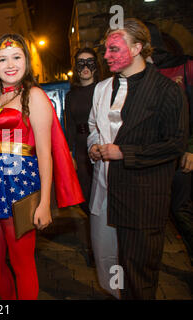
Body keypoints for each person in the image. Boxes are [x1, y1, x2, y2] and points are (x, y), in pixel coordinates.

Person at [87, 18, 187, 299]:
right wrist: (94, 147)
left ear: (137, 48)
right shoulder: (103, 88)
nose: (106, 56)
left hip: (142, 200)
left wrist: (124, 153)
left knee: (138, 277)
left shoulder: (166, 91)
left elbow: (175, 144)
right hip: (106, 191)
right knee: (110, 268)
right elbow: (95, 128)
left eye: (114, 49)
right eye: (105, 50)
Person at [0, 33, 84, 300]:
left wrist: (44, 203)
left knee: (21, 262)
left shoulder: (35, 96)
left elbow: (45, 153)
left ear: (27, 61)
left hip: (21, 186)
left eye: (16, 57)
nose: (10, 64)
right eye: (3, 59)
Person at [145, 21, 193, 265]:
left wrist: (191, 149)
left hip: (182, 155)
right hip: (154, 159)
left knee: (180, 209)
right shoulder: (140, 74)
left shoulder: (185, 67)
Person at [65, 47, 102, 268]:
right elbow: (68, 126)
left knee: (102, 198)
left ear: (96, 66)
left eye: (89, 62)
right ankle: (95, 243)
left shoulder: (105, 89)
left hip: (100, 147)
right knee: (87, 199)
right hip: (80, 149)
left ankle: (102, 248)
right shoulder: (71, 95)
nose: (85, 67)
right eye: (80, 63)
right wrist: (69, 153)